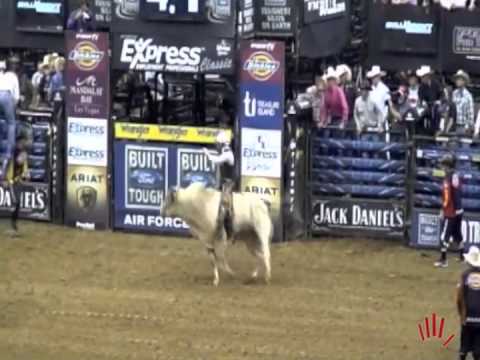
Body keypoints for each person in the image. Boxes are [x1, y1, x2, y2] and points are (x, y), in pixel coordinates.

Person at [203, 131, 235, 241]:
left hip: (229, 184)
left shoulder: (227, 153)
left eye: (217, 143)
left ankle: (230, 232)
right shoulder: (224, 152)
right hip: (224, 183)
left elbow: (217, 160)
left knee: (225, 207)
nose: (216, 145)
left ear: (221, 143)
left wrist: (207, 154)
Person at [435, 154, 464, 268]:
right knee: (457, 234)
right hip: (459, 210)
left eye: (443, 164)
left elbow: (447, 197)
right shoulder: (456, 176)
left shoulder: (448, 178)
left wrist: (443, 209)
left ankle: (443, 260)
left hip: (450, 211)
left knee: (444, 236)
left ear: (447, 165)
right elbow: (458, 193)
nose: (442, 167)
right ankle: (462, 257)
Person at [3, 129, 30, 238]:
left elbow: (23, 164)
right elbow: (9, 164)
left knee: (17, 202)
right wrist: (4, 179)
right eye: (23, 141)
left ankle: (14, 226)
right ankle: (13, 227)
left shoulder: (22, 151)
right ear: (20, 141)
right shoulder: (14, 152)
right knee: (15, 202)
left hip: (17, 180)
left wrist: (26, 173)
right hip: (11, 181)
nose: (24, 143)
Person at [456, 245, 480, 360]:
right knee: (478, 346)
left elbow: (459, 296)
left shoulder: (464, 275)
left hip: (467, 313)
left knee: (464, 345)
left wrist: (461, 314)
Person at [0, 59, 20, 181]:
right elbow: (16, 98)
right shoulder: (12, 76)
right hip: (7, 95)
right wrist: (13, 108)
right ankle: (8, 153)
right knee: (12, 124)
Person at [367, 65, 391, 131]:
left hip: (380, 123)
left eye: (375, 76)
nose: (373, 78)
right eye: (372, 77)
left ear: (379, 77)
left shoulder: (385, 89)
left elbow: (386, 107)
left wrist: (382, 121)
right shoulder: (369, 90)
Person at [452, 70, 475, 136]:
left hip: (463, 126)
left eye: (459, 79)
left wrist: (468, 127)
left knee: (464, 145)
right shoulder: (454, 93)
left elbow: (470, 114)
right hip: (453, 125)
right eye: (456, 79)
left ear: (464, 81)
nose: (457, 81)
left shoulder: (468, 96)